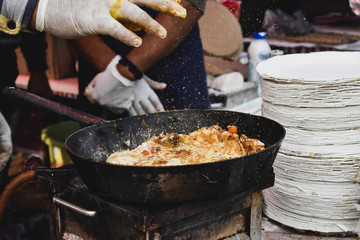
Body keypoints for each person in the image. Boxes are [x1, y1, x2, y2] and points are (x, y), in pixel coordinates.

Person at [70, 0, 211, 119]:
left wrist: (127, 70)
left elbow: (191, 3)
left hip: (174, 74)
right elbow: (66, 9)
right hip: (101, 79)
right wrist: (113, 69)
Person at [0, 0, 186, 47]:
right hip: (96, 52)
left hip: (175, 53)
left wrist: (131, 70)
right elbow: (80, 12)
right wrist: (38, 9)